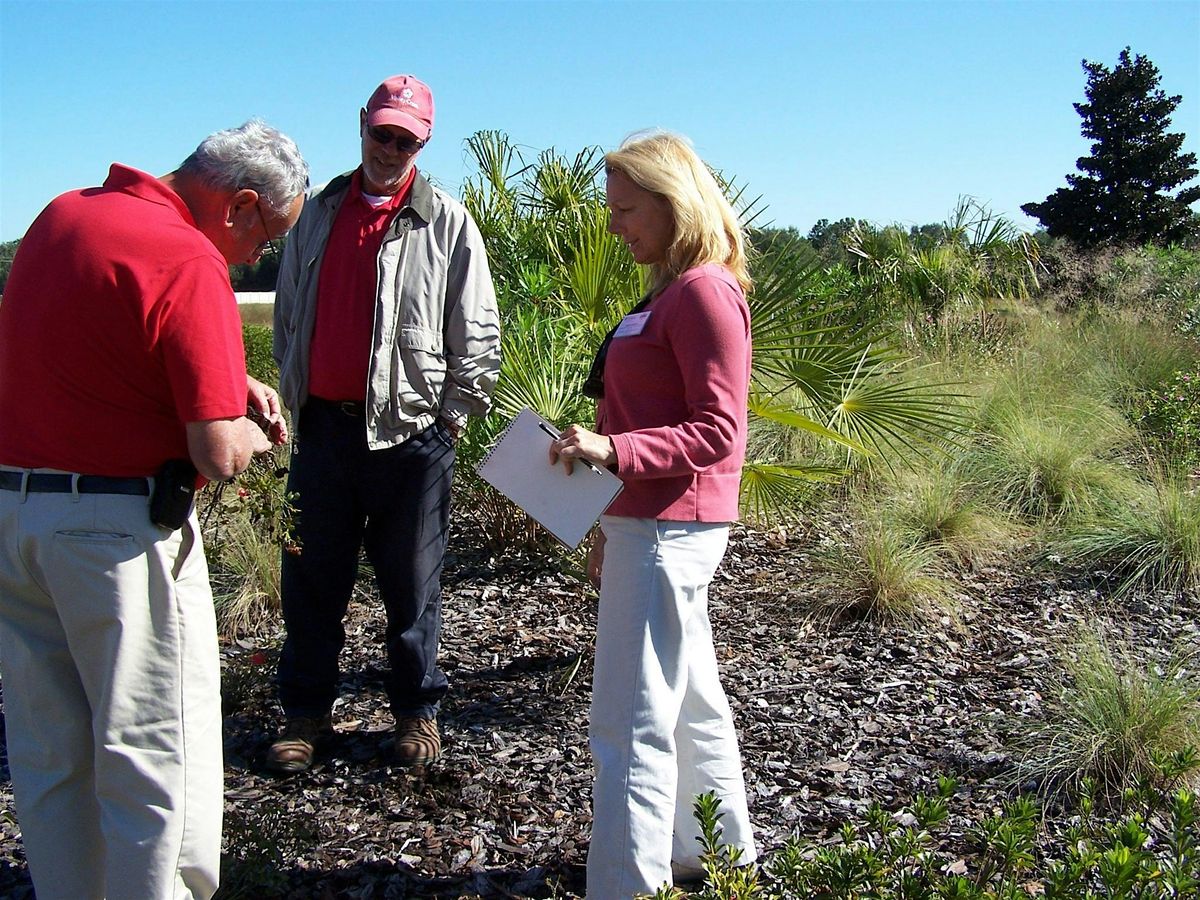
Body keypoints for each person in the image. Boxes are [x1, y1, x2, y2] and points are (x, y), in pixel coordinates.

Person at [0, 120, 308, 900]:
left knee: (50, 754)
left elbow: (96, 348)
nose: (258, 259)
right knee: (153, 755)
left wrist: (224, 387)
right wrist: (255, 432)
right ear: (239, 206)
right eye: (266, 237)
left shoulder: (62, 216)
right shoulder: (188, 257)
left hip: (16, 519)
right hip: (113, 538)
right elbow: (218, 454)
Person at [268, 74, 500, 774]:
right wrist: (296, 397)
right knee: (310, 582)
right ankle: (306, 717)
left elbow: (478, 332)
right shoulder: (317, 213)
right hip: (325, 432)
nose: (392, 148)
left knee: (413, 586)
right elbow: (286, 316)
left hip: (412, 437)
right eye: (382, 133)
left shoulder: (447, 221)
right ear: (361, 123)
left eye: (407, 139)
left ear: (422, 142)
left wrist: (450, 422)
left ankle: (416, 716)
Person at [548, 131, 758, 897]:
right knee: (691, 702)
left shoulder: (702, 291)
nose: (614, 226)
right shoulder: (671, 290)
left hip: (673, 529)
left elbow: (718, 430)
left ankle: (626, 885)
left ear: (674, 204)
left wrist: (612, 452)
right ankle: (720, 857)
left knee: (629, 724)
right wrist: (613, 518)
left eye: (626, 209)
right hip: (651, 526)